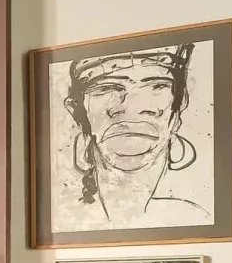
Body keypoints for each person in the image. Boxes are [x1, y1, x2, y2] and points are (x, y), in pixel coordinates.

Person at [65, 45, 207, 227]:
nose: (133, 106)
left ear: (180, 105)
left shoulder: (194, 216)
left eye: (157, 86)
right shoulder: (68, 216)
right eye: (106, 87)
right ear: (77, 110)